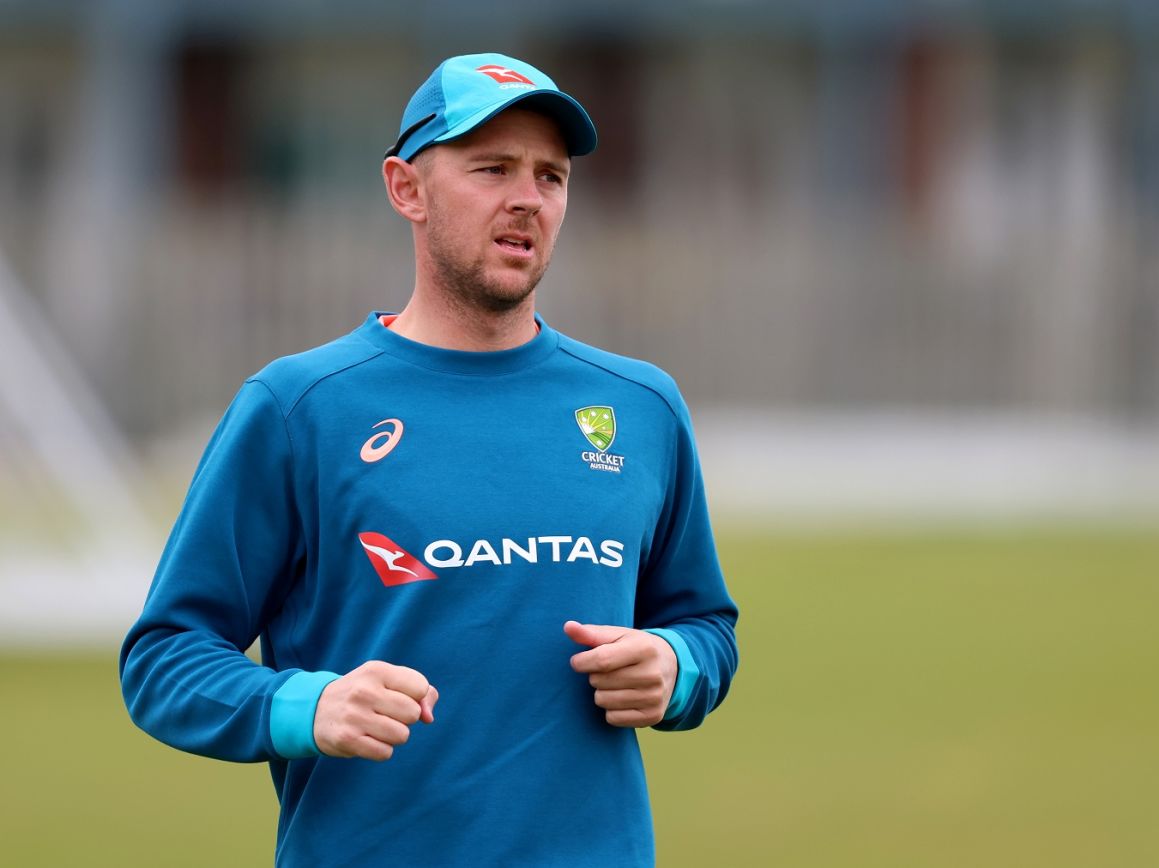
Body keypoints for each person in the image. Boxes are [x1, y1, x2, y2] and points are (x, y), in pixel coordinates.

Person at [120, 52, 738, 867]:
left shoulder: (640, 407)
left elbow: (705, 627)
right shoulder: (300, 408)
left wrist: (676, 665)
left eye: (551, 177)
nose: (528, 198)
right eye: (493, 168)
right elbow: (165, 657)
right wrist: (304, 707)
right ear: (406, 189)